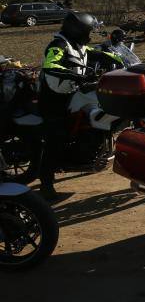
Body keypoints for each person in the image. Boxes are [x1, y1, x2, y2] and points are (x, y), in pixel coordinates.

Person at [38, 12, 121, 200]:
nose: (89, 35)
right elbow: (50, 65)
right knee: (56, 139)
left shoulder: (77, 44)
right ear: (77, 30)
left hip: (71, 93)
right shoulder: (58, 45)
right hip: (54, 99)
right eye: (88, 31)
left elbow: (91, 52)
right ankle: (46, 186)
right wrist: (77, 76)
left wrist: (114, 57)